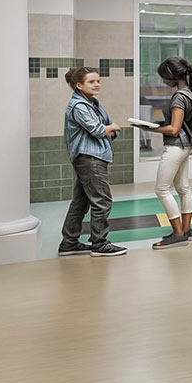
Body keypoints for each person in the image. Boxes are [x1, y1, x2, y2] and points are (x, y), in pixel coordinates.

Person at [59, 67, 126, 257]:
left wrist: (109, 128)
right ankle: (99, 244)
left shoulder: (93, 103)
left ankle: (69, 243)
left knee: (81, 202)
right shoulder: (79, 106)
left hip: (93, 157)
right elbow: (98, 129)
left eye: (98, 81)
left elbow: (110, 128)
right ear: (79, 85)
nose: (97, 84)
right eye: (91, 82)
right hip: (90, 159)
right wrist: (110, 128)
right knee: (102, 201)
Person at [150, 57, 192, 249]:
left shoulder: (179, 96)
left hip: (175, 146)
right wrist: (161, 125)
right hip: (186, 145)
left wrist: (149, 128)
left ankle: (178, 234)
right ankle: (186, 230)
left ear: (172, 75)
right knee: (183, 188)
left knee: (161, 190)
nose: (163, 81)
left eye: (164, 77)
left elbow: (174, 129)